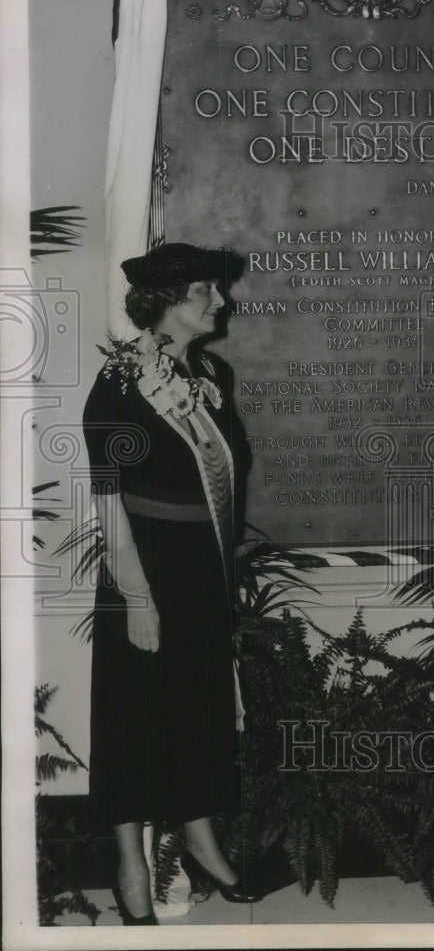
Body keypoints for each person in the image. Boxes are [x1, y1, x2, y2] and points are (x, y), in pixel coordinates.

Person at [82, 243, 258, 924]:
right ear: (163, 303)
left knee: (200, 705)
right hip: (143, 566)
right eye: (202, 294)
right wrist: (138, 597)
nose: (219, 303)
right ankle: (131, 862)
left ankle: (199, 836)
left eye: (214, 291)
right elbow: (109, 498)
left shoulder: (213, 373)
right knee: (134, 715)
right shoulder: (121, 382)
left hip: (198, 564)